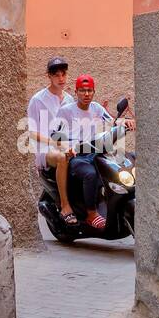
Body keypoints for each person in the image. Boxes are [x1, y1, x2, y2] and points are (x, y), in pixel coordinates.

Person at [53, 74, 134, 230]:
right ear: (76, 92)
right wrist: (66, 148)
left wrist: (126, 122)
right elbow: (56, 135)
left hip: (95, 151)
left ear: (94, 92)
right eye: (82, 91)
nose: (86, 94)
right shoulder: (66, 111)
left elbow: (112, 121)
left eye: (89, 90)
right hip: (76, 155)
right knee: (90, 174)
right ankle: (91, 214)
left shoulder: (96, 107)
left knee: (125, 162)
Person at [26, 56, 77, 225]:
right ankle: (65, 206)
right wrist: (56, 143)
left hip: (65, 145)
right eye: (56, 75)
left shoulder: (70, 100)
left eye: (63, 74)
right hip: (45, 149)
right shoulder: (38, 100)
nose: (61, 78)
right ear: (49, 76)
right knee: (62, 157)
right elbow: (32, 133)